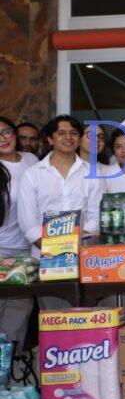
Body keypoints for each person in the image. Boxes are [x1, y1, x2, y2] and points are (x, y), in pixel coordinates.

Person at [17, 116, 102, 309]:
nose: (68, 138)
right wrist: (56, 252)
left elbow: (95, 216)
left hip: (84, 259)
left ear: (80, 139)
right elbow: (28, 223)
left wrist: (77, 246)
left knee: (87, 319)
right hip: (46, 261)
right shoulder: (32, 174)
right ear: (49, 139)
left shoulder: (91, 172)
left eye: (74, 133)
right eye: (61, 133)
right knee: (54, 320)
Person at [0, 116, 38, 348]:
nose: (3, 139)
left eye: (6, 132)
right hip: (1, 249)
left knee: (19, 311)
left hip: (26, 250)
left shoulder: (31, 159)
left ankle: (10, 373)